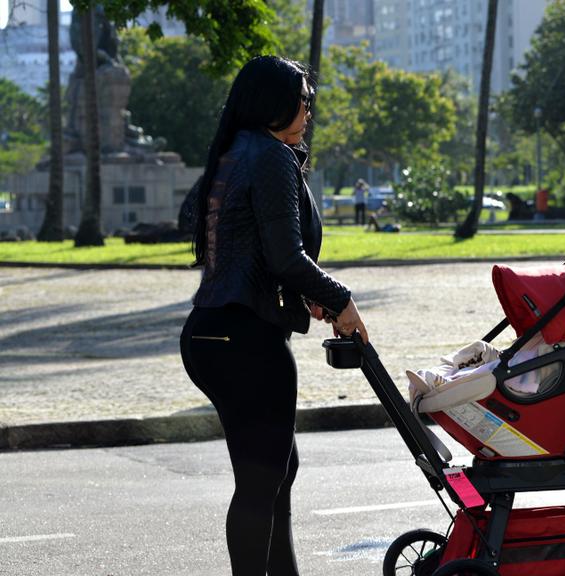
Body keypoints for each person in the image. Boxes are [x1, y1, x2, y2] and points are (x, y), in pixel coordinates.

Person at [179, 55, 368, 576]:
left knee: (277, 470)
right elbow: (287, 256)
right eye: (303, 101)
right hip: (244, 339)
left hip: (214, 333)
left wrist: (303, 293)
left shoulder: (237, 150)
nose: (308, 111)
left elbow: (252, 248)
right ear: (273, 103)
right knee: (263, 477)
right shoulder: (270, 157)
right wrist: (340, 298)